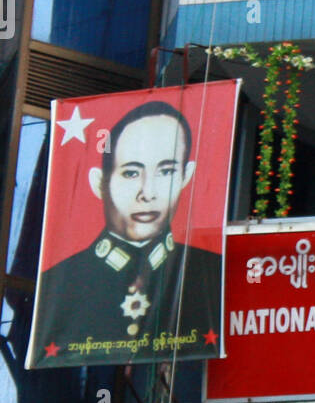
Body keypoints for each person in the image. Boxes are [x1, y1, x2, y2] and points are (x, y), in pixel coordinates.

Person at [30, 101, 222, 367]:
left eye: (166, 171)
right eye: (131, 173)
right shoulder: (61, 280)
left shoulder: (211, 272)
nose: (148, 193)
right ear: (100, 182)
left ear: (186, 176)